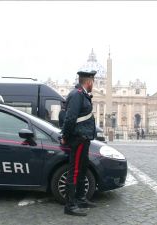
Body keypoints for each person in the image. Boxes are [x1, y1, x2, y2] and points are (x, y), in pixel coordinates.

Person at [61, 69, 97, 216]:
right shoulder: (77, 95)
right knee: (74, 171)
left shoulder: (82, 94)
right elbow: (70, 118)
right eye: (93, 82)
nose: (93, 84)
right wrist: (65, 135)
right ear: (88, 82)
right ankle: (70, 205)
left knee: (82, 168)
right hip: (78, 138)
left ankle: (81, 198)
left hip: (84, 138)